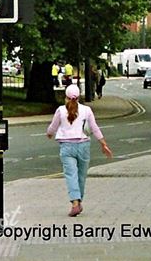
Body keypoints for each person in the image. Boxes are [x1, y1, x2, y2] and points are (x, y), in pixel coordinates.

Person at [46, 84, 113, 216]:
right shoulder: (86, 110)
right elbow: (94, 128)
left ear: (66, 97)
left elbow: (52, 127)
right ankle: (78, 200)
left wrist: (49, 133)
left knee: (71, 174)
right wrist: (103, 144)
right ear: (79, 97)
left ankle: (75, 203)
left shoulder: (60, 110)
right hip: (83, 146)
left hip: (66, 146)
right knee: (81, 175)